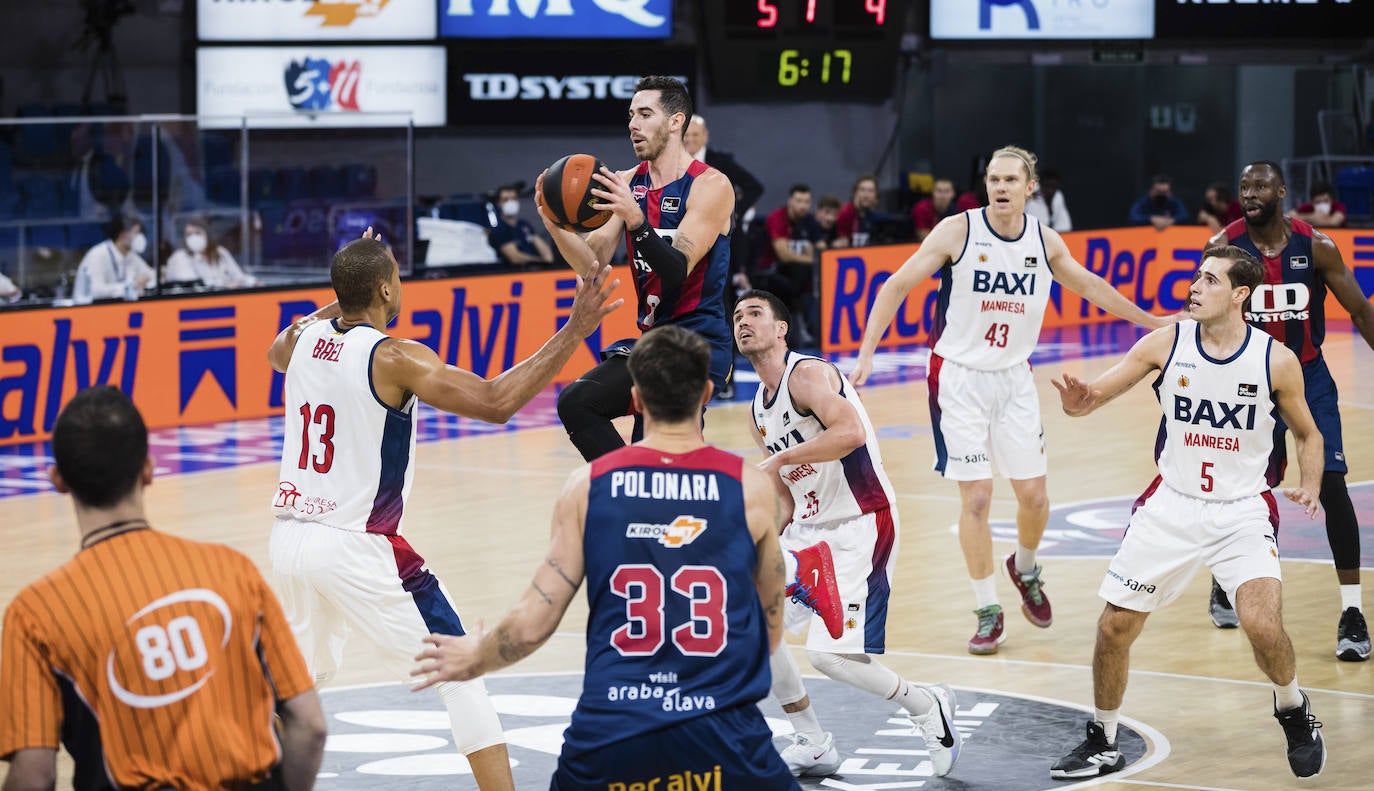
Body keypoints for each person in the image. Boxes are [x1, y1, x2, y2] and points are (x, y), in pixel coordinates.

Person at [266, 230, 620, 791]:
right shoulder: (395, 356)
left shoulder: (303, 340)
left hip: (288, 542)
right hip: (357, 545)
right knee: (462, 670)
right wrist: (576, 329)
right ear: (386, 291)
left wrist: (348, 288)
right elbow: (495, 401)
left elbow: (276, 351)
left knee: (294, 687)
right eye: (395, 279)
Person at [411, 325, 801, 790]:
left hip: (613, 735)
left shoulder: (587, 487)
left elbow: (534, 623)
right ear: (708, 393)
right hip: (724, 733)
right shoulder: (750, 487)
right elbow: (770, 630)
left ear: (634, 399)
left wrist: (477, 657)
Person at [851, 145, 1173, 653]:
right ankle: (987, 609)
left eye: (1009, 180)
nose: (999, 187)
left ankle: (1023, 567)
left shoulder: (1045, 243)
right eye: (992, 179)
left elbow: (1091, 287)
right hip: (957, 379)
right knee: (976, 497)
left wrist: (1153, 322)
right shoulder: (958, 230)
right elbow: (896, 285)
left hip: (1015, 380)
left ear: (1030, 188)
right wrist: (867, 352)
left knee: (1035, 499)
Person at [1048, 246, 1327, 780]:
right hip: (1171, 506)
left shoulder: (1274, 360)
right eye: (1196, 278)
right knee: (1113, 629)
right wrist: (1077, 400)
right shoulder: (1166, 342)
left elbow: (1308, 433)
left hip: (1242, 510)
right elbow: (1090, 400)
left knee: (1262, 626)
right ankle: (1103, 740)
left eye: (1209, 280)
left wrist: (1310, 484)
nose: (1194, 287)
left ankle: (1293, 708)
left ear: (1240, 294)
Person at [0, 385, 327, 790]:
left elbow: (34, 775)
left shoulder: (34, 614)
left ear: (58, 480)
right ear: (149, 470)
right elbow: (310, 725)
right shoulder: (233, 571)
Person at [734, 290, 963, 778]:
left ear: (781, 329)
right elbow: (787, 500)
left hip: (862, 522)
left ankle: (926, 704)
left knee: (830, 656)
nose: (743, 322)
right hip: (809, 534)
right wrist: (761, 540)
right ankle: (813, 741)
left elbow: (851, 432)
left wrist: (780, 458)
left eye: (755, 314)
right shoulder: (758, 409)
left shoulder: (808, 374)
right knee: (755, 624)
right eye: (737, 316)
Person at [1202, 160, 1372, 661]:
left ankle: (1353, 612)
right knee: (1243, 489)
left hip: (1308, 378)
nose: (1250, 193)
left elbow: (1359, 309)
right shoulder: (1224, 250)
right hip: (1248, 383)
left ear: (1280, 191)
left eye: (1259, 186)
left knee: (1334, 485)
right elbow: (1203, 320)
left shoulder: (1316, 245)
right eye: (1243, 186)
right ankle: (1225, 578)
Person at [538, 76, 735, 462]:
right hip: (652, 340)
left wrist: (636, 221)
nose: (633, 123)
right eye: (631, 115)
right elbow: (592, 266)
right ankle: (628, 487)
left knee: (658, 453)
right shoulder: (627, 183)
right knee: (577, 403)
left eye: (645, 114)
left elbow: (676, 269)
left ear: (676, 121)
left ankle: (652, 496)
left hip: (698, 344)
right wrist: (553, 223)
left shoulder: (711, 185)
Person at [756, 184, 824, 346]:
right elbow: (784, 255)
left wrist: (816, 257)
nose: (803, 206)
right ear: (790, 201)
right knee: (796, 277)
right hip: (768, 271)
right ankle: (796, 329)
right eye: (799, 201)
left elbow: (822, 249)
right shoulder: (777, 218)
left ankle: (810, 327)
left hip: (795, 272)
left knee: (812, 274)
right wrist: (814, 258)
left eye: (806, 202)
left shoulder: (809, 221)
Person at [683, 113, 765, 218]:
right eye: (686, 134)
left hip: (720, 227)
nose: (690, 139)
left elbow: (754, 187)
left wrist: (735, 212)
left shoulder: (722, 161)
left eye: (695, 135)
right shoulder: (673, 161)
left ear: (705, 136)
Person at [72, 213, 154, 303]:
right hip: (90, 311)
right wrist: (129, 286)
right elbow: (96, 291)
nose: (140, 237)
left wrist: (148, 278)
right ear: (123, 235)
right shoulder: (98, 255)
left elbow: (151, 275)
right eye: (136, 233)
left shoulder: (131, 256)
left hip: (119, 310)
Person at [165, 217, 259, 288]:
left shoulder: (220, 252)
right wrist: (226, 285)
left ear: (208, 234)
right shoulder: (180, 257)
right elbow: (194, 286)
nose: (193, 238)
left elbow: (239, 277)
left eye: (197, 233)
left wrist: (253, 282)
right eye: (189, 234)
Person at [489, 184, 555, 266]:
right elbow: (515, 257)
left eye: (514, 199)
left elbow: (544, 250)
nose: (511, 202)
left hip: (537, 271)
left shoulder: (524, 225)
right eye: (505, 200)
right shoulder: (499, 229)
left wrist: (547, 260)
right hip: (514, 273)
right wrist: (540, 261)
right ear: (499, 203)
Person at [835, 174, 880, 248]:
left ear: (876, 195)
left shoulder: (872, 215)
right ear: (855, 192)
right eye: (862, 190)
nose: (866, 195)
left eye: (870, 191)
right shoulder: (845, 213)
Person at [912, 178, 959, 242]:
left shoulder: (956, 211)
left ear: (953, 194)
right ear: (933, 192)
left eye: (947, 191)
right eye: (939, 191)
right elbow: (924, 238)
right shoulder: (922, 208)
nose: (942, 195)